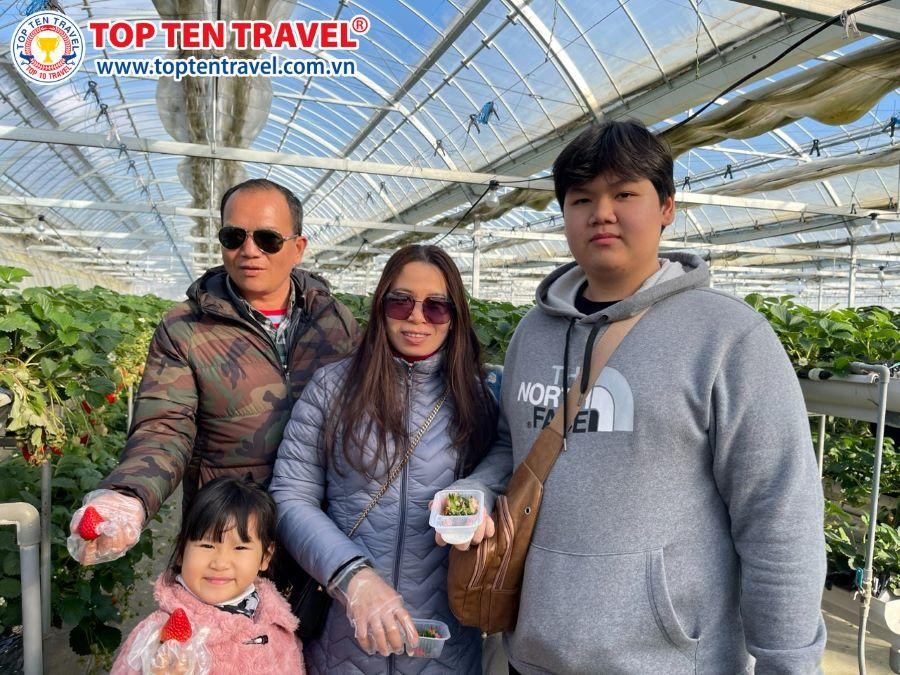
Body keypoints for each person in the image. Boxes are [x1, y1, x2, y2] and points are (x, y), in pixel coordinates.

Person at [452, 120, 827, 674]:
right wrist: (476, 490)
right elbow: (513, 443)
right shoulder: (533, 331)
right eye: (582, 199)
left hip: (665, 661)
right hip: (531, 654)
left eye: (624, 194)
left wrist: (787, 663)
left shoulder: (728, 337)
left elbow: (778, 513)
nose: (601, 213)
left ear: (667, 207)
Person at [67, 178, 359, 566]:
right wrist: (129, 494)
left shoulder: (334, 321)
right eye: (234, 236)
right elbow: (164, 427)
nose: (249, 250)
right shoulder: (186, 327)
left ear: (298, 247)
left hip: (320, 528)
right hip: (226, 533)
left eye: (268, 239)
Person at [270, 244, 499, 673]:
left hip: (444, 645)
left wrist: (476, 489)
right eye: (401, 301)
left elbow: (506, 457)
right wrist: (351, 576)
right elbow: (290, 495)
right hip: (344, 636)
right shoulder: (332, 388)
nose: (417, 317)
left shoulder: (479, 394)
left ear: (455, 317)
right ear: (380, 306)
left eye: (436, 306)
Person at [111, 476, 304, 674]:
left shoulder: (278, 626)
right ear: (181, 551)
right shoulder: (157, 634)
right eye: (206, 545)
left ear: (265, 556)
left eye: (239, 548)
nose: (220, 563)